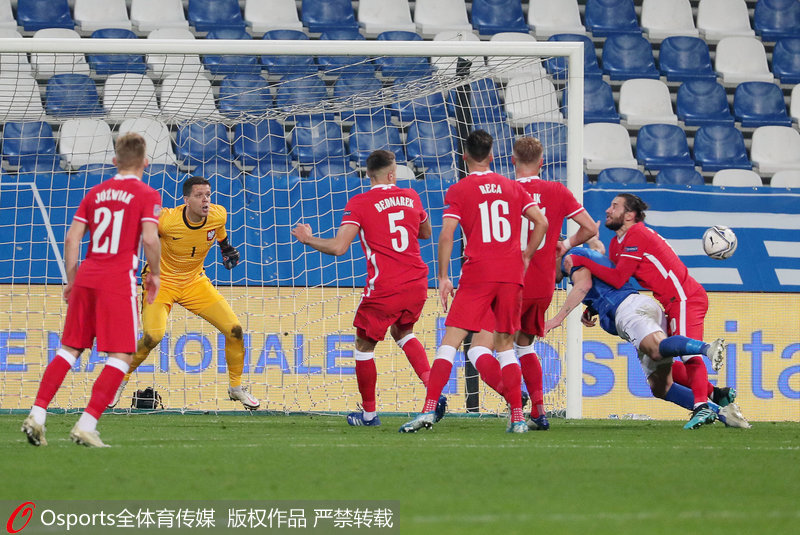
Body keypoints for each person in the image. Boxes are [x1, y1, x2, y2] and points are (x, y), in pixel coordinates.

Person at [400, 129, 548, 434]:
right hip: (510, 275)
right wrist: (526, 255)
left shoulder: (459, 190)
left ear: (465, 156)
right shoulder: (512, 187)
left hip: (478, 273)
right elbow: (542, 222)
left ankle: (429, 410)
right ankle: (518, 418)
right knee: (505, 347)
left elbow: (446, 234)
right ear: (492, 156)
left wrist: (443, 277)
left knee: (450, 342)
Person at [21, 133, 162, 447]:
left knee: (69, 349)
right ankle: (86, 424)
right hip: (117, 280)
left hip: (87, 275)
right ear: (145, 163)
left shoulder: (95, 192)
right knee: (122, 355)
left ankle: (37, 415)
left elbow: (72, 238)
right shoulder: (147, 193)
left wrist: (72, 280)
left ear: (114, 161)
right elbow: (150, 239)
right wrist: (155, 274)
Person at [292, 150, 443, 426]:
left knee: (364, 345)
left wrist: (308, 239)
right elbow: (426, 233)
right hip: (418, 281)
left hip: (386, 286)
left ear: (368, 174)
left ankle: (369, 415)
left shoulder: (360, 203)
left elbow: (339, 247)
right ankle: (434, 391)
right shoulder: (411, 196)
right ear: (392, 173)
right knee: (403, 331)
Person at [545, 244, 750, 428]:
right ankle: (722, 410)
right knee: (660, 386)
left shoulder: (571, 258)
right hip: (638, 305)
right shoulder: (587, 255)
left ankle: (707, 349)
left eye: (544, 266)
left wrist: (556, 319)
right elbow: (601, 272)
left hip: (629, 310)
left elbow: (583, 286)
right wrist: (593, 307)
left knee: (656, 348)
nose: (546, 275)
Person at [569, 194, 723, 429]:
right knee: (661, 360)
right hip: (669, 302)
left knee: (687, 355)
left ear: (629, 215)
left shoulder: (637, 234)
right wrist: (592, 307)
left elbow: (617, 278)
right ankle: (717, 395)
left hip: (684, 296)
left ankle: (702, 405)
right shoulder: (617, 243)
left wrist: (582, 261)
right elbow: (615, 283)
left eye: (615, 206)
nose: (608, 210)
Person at [110, 176, 259, 411]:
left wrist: (225, 247)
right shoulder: (167, 220)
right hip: (162, 283)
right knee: (152, 337)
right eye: (199, 196)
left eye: (208, 195)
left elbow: (219, 230)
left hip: (194, 282)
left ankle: (236, 387)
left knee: (235, 330)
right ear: (186, 200)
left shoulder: (219, 214)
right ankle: (119, 379)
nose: (206, 200)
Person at [510, 137, 598, 431]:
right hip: (542, 285)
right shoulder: (557, 191)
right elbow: (590, 228)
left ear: (513, 160)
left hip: (510, 280)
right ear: (542, 163)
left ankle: (514, 405)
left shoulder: (505, 190)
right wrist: (566, 244)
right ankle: (539, 411)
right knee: (525, 346)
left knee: (488, 346)